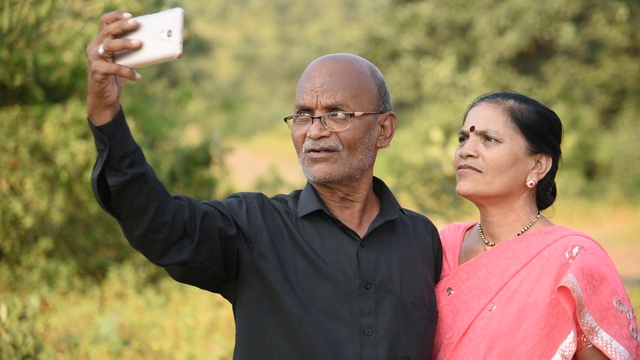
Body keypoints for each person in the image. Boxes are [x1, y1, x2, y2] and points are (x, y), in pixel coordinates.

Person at [86, 11, 442, 360]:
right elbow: (161, 225)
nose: (315, 131)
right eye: (303, 115)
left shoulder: (422, 240)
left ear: (384, 130)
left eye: (337, 114)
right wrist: (106, 114)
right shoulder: (255, 227)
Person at [432, 91, 640, 359]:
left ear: (538, 165)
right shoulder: (441, 245)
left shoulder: (572, 259)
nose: (466, 151)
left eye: (488, 139)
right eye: (464, 138)